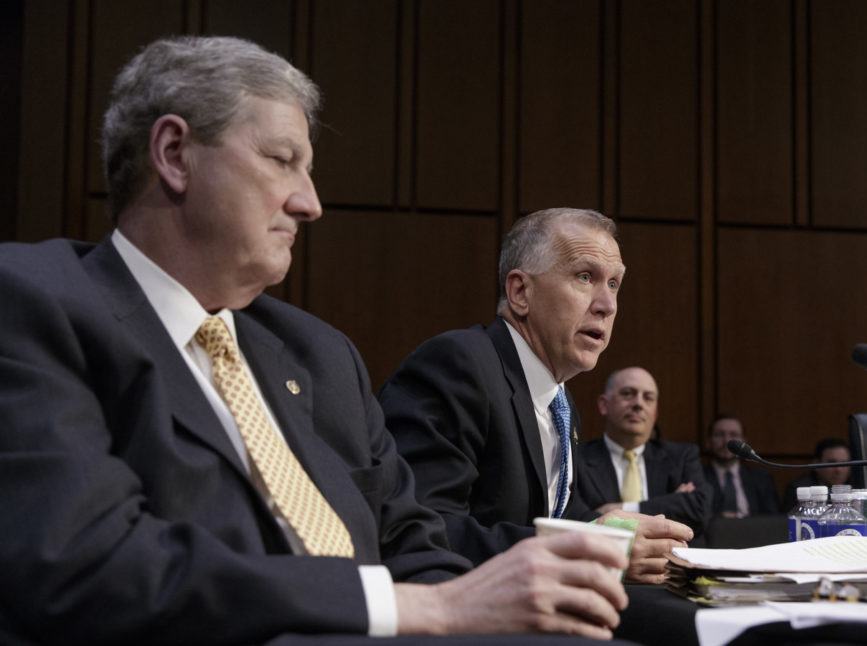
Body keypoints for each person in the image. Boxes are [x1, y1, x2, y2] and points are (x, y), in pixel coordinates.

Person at [0, 36, 633, 645]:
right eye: (281, 161)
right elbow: (88, 563)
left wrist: (485, 620)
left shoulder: (321, 355)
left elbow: (416, 550)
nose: (310, 203)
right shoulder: (35, 303)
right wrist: (421, 608)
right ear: (174, 154)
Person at [378, 208, 693, 583]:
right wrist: (597, 547)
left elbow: (554, 514)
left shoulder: (560, 401)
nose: (607, 305)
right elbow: (425, 530)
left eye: (613, 285)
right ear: (520, 292)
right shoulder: (459, 365)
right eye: (585, 276)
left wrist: (620, 530)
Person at [572, 367, 712, 535]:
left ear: (655, 413)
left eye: (648, 398)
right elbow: (575, 518)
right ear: (604, 404)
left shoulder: (681, 456)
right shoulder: (575, 457)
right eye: (627, 393)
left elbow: (698, 510)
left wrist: (618, 510)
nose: (638, 404)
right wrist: (668, 503)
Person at [702, 414, 779, 517]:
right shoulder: (698, 478)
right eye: (719, 434)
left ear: (744, 442)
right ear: (709, 441)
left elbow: (773, 520)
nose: (726, 441)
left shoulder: (762, 479)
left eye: (733, 435)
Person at [779, 438, 853, 512]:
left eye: (844, 463)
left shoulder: (857, 485)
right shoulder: (799, 488)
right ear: (817, 465)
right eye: (832, 463)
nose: (838, 470)